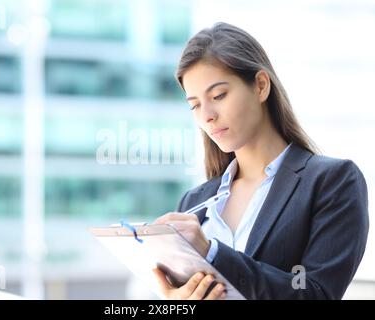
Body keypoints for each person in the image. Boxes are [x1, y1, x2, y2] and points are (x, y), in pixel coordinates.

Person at [152, 22, 369, 300]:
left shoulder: (331, 182)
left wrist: (213, 254)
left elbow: (314, 292)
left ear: (261, 86)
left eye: (218, 95)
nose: (206, 115)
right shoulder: (194, 202)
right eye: (194, 104)